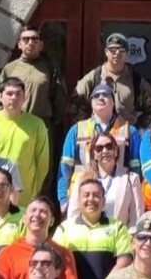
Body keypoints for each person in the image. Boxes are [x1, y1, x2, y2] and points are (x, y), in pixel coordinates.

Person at [59, 82, 141, 211]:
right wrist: (63, 199)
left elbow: (136, 168)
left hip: (119, 195)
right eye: (96, 96)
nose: (100, 97)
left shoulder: (129, 131)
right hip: (83, 194)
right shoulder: (76, 130)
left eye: (105, 95)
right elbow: (65, 167)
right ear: (91, 104)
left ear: (113, 103)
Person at [0, 198, 79, 279]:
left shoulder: (63, 254)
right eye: (33, 210)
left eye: (43, 212)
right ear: (24, 218)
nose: (37, 215)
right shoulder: (7, 254)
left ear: (51, 221)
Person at [72, 32, 151, 128]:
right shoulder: (94, 77)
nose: (117, 53)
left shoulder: (136, 80)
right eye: (112, 50)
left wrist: (139, 129)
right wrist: (86, 125)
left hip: (126, 136)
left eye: (121, 50)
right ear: (106, 52)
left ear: (127, 53)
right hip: (98, 136)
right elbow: (75, 103)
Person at [0, 25, 67, 140]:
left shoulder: (50, 69)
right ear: (19, 44)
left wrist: (52, 122)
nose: (30, 43)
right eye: (26, 39)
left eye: (35, 39)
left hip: (42, 125)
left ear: (41, 45)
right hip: (15, 124)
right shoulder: (10, 69)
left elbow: (59, 100)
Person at [0, 77, 50, 206]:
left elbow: (42, 163)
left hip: (25, 195)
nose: (14, 98)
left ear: (24, 98)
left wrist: (35, 191)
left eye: (18, 94)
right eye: (9, 94)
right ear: (0, 97)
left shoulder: (36, 124)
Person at [68, 131, 144, 227]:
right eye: (99, 148)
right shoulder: (83, 178)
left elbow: (136, 217)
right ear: (94, 154)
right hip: (88, 238)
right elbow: (73, 214)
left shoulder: (131, 179)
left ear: (116, 151)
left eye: (109, 147)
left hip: (119, 238)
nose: (104, 151)